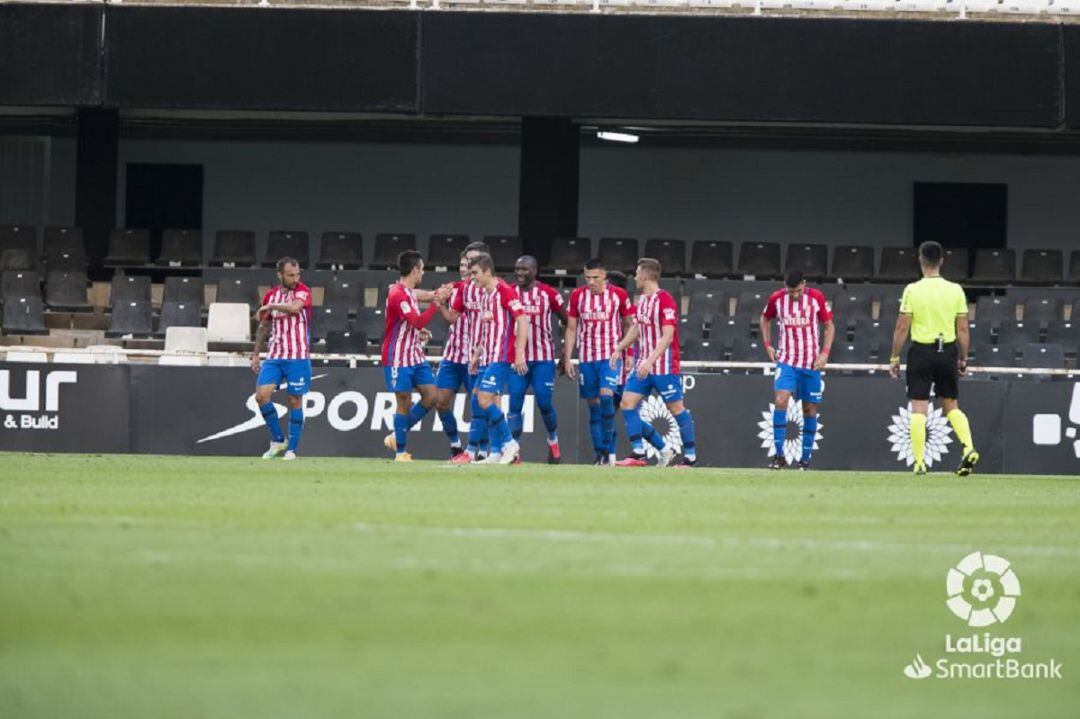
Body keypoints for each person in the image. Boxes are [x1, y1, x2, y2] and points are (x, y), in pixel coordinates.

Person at [889, 241, 978, 476]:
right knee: (951, 405)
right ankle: (968, 447)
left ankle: (919, 463)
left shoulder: (912, 290)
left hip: (921, 351)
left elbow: (901, 327)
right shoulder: (956, 289)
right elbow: (963, 329)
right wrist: (964, 358)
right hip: (947, 351)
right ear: (942, 261)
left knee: (919, 407)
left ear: (920, 260)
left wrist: (894, 357)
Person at [611, 259, 690, 467]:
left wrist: (650, 360)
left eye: (637, 273)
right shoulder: (643, 300)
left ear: (646, 276)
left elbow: (668, 335)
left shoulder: (665, 300)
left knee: (676, 408)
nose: (635, 277)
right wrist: (619, 347)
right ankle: (642, 452)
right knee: (627, 403)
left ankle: (690, 457)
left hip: (663, 366)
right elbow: (637, 328)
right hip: (642, 366)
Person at [759, 269, 835, 470]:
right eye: (790, 291)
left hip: (811, 363)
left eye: (797, 291)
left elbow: (829, 326)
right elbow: (764, 319)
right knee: (780, 400)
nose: (794, 295)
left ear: (804, 284)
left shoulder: (816, 297)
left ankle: (805, 459)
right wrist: (768, 345)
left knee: (809, 409)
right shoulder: (777, 298)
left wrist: (825, 353)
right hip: (786, 361)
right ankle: (779, 456)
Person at [564, 258, 635, 465]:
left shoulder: (619, 295)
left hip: (610, 357)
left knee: (606, 399)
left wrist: (628, 352)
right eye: (587, 277)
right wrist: (568, 358)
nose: (591, 281)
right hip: (587, 358)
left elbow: (629, 324)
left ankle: (610, 453)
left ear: (604, 275)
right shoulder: (577, 296)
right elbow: (571, 328)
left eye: (595, 277)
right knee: (594, 408)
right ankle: (601, 455)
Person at [467, 253, 528, 464]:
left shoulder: (505, 291)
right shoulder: (485, 294)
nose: (471, 277)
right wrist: (477, 354)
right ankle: (495, 453)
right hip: (487, 357)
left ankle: (510, 443)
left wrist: (519, 353)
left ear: (487, 271)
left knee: (484, 398)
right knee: (485, 400)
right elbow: (487, 328)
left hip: (501, 356)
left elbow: (522, 319)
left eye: (474, 273)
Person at [381, 250, 441, 461]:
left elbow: (409, 324)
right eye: (422, 269)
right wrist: (436, 304)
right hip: (397, 356)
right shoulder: (398, 293)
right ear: (415, 270)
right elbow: (416, 321)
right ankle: (400, 452)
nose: (423, 273)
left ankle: (396, 436)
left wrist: (417, 333)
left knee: (432, 396)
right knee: (404, 402)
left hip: (414, 354)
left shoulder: (408, 292)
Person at [251, 257, 313, 460]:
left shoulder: (303, 290)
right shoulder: (272, 295)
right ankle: (278, 440)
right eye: (290, 275)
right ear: (280, 275)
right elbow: (263, 326)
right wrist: (255, 354)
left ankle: (292, 450)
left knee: (295, 400)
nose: (295, 278)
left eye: (297, 274)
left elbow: (295, 308)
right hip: (275, 356)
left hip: (297, 356)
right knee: (261, 396)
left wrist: (269, 307)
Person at [433, 241, 490, 459]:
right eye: (462, 264)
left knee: (479, 405)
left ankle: (482, 451)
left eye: (469, 264)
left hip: (478, 356)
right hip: (454, 354)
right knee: (441, 401)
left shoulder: (490, 290)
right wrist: (440, 303)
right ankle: (456, 445)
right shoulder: (456, 288)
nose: (464, 268)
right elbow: (449, 317)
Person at [508, 255, 567, 463]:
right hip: (517, 360)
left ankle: (553, 441)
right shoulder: (509, 292)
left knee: (544, 403)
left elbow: (568, 321)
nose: (519, 273)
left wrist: (565, 354)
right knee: (514, 405)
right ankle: (513, 452)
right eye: (517, 269)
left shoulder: (548, 293)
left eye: (524, 269)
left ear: (535, 271)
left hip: (543, 359)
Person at [605, 270, 668, 460]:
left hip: (624, 367)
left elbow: (637, 333)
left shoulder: (632, 310)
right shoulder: (605, 305)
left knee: (621, 409)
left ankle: (617, 455)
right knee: (620, 410)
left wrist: (629, 354)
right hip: (609, 362)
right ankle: (662, 449)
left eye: (606, 283)